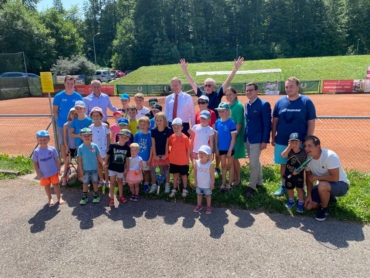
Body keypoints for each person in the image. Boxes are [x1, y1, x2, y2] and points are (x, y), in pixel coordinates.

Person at [179, 57, 244, 176]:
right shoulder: (201, 95)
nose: (207, 87)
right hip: (202, 127)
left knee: (216, 147)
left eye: (210, 85)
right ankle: (203, 167)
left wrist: (235, 69)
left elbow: (227, 82)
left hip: (215, 125)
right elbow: (192, 83)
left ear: (214, 86)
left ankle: (217, 167)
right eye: (206, 85)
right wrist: (184, 70)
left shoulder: (217, 94)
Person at [271, 77, 316, 196]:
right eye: (286, 87)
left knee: (301, 165)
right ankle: (284, 186)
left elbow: (311, 122)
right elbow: (275, 121)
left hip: (300, 141)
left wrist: (308, 140)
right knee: (284, 164)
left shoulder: (306, 101)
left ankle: (302, 188)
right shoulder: (279, 102)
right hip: (282, 140)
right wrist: (273, 136)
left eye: (291, 86)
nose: (288, 89)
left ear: (298, 86)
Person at [304, 135, 350, 221]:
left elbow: (335, 178)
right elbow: (309, 179)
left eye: (309, 145)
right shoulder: (307, 159)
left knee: (322, 185)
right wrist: (309, 195)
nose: (306, 148)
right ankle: (329, 197)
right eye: (305, 146)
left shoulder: (330, 156)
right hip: (323, 185)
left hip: (341, 185)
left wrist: (316, 177)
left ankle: (324, 209)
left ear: (318, 146)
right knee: (308, 206)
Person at [244, 83, 272, 198]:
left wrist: (265, 140)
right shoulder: (246, 104)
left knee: (253, 163)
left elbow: (267, 124)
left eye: (251, 90)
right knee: (255, 161)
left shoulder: (264, 104)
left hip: (257, 139)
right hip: (248, 138)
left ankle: (251, 187)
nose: (248, 92)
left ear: (256, 91)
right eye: (247, 90)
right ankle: (259, 183)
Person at [52, 75, 83, 169]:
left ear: (74, 84)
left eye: (72, 83)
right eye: (68, 83)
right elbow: (55, 111)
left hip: (76, 125)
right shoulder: (58, 96)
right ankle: (67, 166)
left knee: (78, 144)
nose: (70, 85)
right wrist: (63, 120)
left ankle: (79, 166)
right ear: (64, 83)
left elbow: (81, 110)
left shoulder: (78, 96)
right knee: (64, 144)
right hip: (62, 125)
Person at [32, 130, 64, 206]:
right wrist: (38, 172)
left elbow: (57, 160)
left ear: (48, 139)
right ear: (37, 140)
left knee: (56, 185)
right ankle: (50, 198)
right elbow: (35, 163)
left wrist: (59, 170)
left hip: (53, 172)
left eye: (44, 139)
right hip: (43, 174)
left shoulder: (52, 149)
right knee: (47, 186)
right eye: (40, 140)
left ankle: (59, 198)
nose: (42, 141)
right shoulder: (36, 151)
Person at [77, 128, 105, 205]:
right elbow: (79, 160)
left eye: (88, 136)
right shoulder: (80, 148)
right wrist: (80, 169)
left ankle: (96, 195)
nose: (87, 137)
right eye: (84, 136)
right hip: (85, 169)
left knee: (95, 182)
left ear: (92, 136)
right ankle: (85, 196)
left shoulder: (94, 146)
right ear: (81, 137)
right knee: (85, 183)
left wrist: (102, 162)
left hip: (94, 169)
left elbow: (98, 156)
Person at [281, 133, 307, 213]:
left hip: (298, 175)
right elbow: (283, 155)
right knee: (289, 188)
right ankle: (291, 201)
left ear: (301, 143)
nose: (294, 144)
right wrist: (289, 147)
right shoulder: (289, 151)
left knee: (300, 189)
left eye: (296, 142)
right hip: (289, 174)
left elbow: (304, 165)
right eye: (292, 142)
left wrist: (298, 171)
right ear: (289, 142)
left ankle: (300, 203)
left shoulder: (303, 153)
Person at [225, 87, 245, 186]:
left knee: (235, 158)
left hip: (235, 137)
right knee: (231, 158)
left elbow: (239, 123)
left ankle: (238, 178)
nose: (228, 97)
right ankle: (232, 177)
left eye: (230, 94)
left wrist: (234, 137)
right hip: (230, 137)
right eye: (227, 95)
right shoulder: (229, 106)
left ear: (235, 95)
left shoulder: (238, 106)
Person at [105, 129, 131, 206]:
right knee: (112, 182)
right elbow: (108, 155)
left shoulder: (127, 148)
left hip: (120, 168)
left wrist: (127, 167)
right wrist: (105, 162)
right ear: (119, 136)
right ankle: (111, 198)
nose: (123, 139)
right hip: (112, 167)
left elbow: (127, 158)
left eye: (125, 138)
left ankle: (121, 196)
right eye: (122, 137)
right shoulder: (113, 145)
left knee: (120, 182)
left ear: (128, 139)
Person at [214, 102, 237, 192]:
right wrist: (216, 148)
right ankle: (223, 183)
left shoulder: (231, 122)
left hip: (230, 148)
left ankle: (229, 184)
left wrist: (230, 150)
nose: (220, 113)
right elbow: (216, 136)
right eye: (219, 111)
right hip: (221, 148)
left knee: (230, 165)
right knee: (223, 165)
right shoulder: (217, 122)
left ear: (227, 112)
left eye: (222, 111)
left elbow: (233, 138)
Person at [168, 118, 191, 198]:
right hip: (174, 161)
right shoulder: (171, 137)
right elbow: (170, 146)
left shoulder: (185, 138)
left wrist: (188, 160)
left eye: (178, 127)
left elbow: (188, 149)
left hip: (183, 161)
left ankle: (185, 188)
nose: (176, 129)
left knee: (184, 175)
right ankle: (174, 188)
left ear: (182, 128)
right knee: (175, 175)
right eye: (174, 127)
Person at [149, 112, 172, 193]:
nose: (159, 122)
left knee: (166, 169)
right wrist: (155, 155)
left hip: (165, 154)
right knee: (153, 170)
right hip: (156, 153)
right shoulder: (153, 130)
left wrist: (166, 154)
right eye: (157, 120)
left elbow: (167, 143)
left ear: (164, 121)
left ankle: (167, 184)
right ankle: (154, 184)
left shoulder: (168, 130)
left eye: (160, 120)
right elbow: (153, 143)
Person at [89, 107, 110, 186]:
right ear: (91, 116)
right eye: (94, 116)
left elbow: (108, 137)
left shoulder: (105, 126)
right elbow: (90, 140)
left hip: (104, 149)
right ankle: (101, 179)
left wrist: (108, 148)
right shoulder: (90, 127)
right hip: (95, 150)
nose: (95, 117)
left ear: (101, 116)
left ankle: (107, 180)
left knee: (105, 165)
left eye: (97, 115)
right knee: (98, 165)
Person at [193, 145, 215, 214]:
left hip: (207, 185)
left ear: (208, 156)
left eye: (204, 153)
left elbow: (212, 175)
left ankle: (208, 206)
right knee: (199, 194)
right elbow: (195, 172)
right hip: (199, 184)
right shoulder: (197, 163)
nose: (201, 155)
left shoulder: (209, 165)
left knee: (208, 195)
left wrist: (212, 183)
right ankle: (199, 205)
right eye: (200, 153)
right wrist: (195, 180)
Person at [134, 116, 152, 192]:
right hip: (138, 158)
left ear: (148, 125)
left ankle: (146, 184)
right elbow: (134, 146)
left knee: (146, 171)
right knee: (138, 171)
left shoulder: (150, 135)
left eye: (144, 124)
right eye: (140, 124)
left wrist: (150, 158)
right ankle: (138, 183)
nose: (142, 126)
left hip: (146, 157)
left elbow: (151, 148)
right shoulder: (137, 134)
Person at [62, 108, 77, 186]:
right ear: (69, 114)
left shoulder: (78, 123)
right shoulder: (66, 125)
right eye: (72, 114)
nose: (74, 115)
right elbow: (65, 137)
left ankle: (80, 176)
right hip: (70, 147)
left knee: (81, 163)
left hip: (78, 147)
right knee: (67, 163)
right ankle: (64, 177)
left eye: (75, 114)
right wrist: (67, 147)